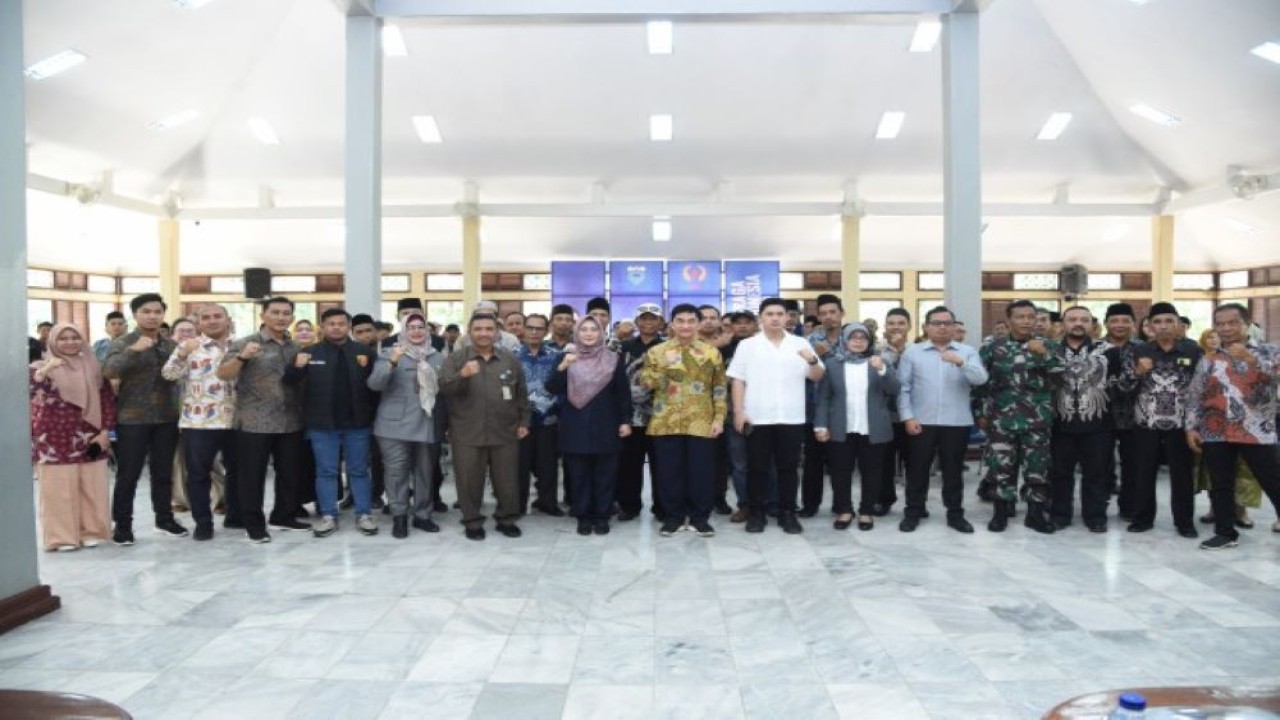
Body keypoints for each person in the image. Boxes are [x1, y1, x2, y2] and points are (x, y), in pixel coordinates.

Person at [217, 296, 312, 543]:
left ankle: (283, 515)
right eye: (276, 312)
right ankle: (253, 523)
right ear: (263, 316)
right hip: (254, 421)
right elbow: (223, 374)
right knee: (252, 476)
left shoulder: (296, 347)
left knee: (289, 473)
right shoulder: (245, 343)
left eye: (286, 313)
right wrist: (242, 358)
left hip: (290, 420)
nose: (281, 317)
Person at [1187, 303, 1280, 549]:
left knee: (1273, 480)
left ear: (1247, 324)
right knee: (1220, 484)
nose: (1226, 328)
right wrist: (1191, 427)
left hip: (1256, 430)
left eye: (1232, 322)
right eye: (1220, 324)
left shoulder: (1270, 351)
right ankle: (1225, 533)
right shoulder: (1208, 359)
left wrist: (1251, 360)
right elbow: (1195, 394)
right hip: (1215, 429)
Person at [729, 298, 824, 534]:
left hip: (790, 416)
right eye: (769, 314)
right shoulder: (748, 345)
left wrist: (811, 360)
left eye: (779, 314)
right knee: (757, 468)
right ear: (761, 318)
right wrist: (739, 411)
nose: (774, 318)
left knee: (789, 468)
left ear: (787, 318)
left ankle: (787, 513)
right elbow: (738, 380)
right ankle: (757, 513)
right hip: (757, 416)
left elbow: (816, 375)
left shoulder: (800, 343)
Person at [974, 299, 1063, 533]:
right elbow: (980, 383)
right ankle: (1001, 513)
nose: (1026, 321)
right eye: (1020, 316)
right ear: (1009, 320)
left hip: (1038, 419)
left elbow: (1062, 378)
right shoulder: (993, 347)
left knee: (1038, 468)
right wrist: (978, 413)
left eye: (1030, 317)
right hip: (1001, 419)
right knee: (1001, 467)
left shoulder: (1050, 346)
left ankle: (1035, 514)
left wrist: (1044, 355)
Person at [289, 308, 380, 538]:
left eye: (341, 323)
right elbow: (290, 383)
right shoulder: (309, 352)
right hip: (322, 424)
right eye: (331, 324)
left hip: (357, 424)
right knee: (326, 471)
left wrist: (371, 416)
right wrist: (296, 367)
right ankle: (329, 515)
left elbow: (376, 389)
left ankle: (364, 514)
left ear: (348, 326)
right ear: (323, 327)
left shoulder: (364, 352)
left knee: (359, 471)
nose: (336, 327)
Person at [103, 293, 185, 544]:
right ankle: (123, 526)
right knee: (128, 474)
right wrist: (133, 351)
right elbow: (108, 371)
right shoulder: (122, 342)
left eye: (157, 312)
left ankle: (164, 519)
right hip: (132, 418)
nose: (152, 316)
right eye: (146, 311)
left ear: (163, 315)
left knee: (162, 472)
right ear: (135, 314)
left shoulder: (170, 345)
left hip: (166, 417)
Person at [897, 306, 988, 533]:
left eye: (947, 323)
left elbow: (981, 379)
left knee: (953, 471)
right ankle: (914, 511)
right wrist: (907, 417)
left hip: (955, 422)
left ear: (954, 326)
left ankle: (955, 514)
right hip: (921, 421)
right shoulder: (912, 352)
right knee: (918, 470)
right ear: (926, 327)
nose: (942, 327)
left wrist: (961, 363)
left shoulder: (966, 352)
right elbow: (903, 388)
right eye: (936, 323)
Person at [439, 313, 530, 540]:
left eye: (489, 329)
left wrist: (524, 421)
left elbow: (522, 394)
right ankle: (472, 522)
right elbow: (445, 390)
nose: (483, 333)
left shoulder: (510, 359)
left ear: (497, 332)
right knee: (469, 480)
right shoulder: (457, 359)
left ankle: (507, 519)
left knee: (507, 479)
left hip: (505, 430)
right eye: (478, 329)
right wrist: (462, 375)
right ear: (470, 332)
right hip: (467, 431)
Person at [641, 303, 727, 537]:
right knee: (669, 474)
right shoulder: (656, 352)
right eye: (681, 321)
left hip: (701, 421)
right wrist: (665, 367)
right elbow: (646, 384)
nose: (686, 326)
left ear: (698, 324)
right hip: (666, 421)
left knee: (701, 473)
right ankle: (673, 518)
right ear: (672, 324)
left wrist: (719, 418)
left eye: (691, 321)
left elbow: (719, 388)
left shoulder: (711, 352)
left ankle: (700, 518)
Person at [29, 324, 117, 551]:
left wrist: (107, 431)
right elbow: (31, 390)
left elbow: (107, 401)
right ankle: (62, 537)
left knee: (92, 485)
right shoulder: (39, 366)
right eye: (63, 338)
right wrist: (46, 370)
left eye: (75, 337)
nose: (70, 342)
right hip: (53, 437)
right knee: (58, 489)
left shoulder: (94, 366)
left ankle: (92, 531)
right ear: (52, 342)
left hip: (89, 433)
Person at [1123, 301, 1202, 537]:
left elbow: (1200, 390)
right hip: (1146, 423)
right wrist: (1137, 372)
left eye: (1169, 321)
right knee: (1143, 473)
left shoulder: (1192, 350)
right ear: (1149, 326)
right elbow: (1122, 388)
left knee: (1182, 476)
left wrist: (1194, 424)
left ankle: (1185, 522)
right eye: (1158, 322)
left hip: (1181, 424)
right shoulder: (1137, 350)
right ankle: (1142, 519)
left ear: (1179, 324)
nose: (1164, 326)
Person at [549, 317, 632, 535]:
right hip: (574, 425)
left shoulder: (613, 359)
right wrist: (563, 367)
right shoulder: (566, 357)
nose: (588, 334)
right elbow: (552, 388)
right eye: (583, 329)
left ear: (601, 332)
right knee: (578, 475)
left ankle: (602, 516)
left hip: (607, 424)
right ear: (576, 333)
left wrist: (625, 421)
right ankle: (583, 516)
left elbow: (623, 393)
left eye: (593, 329)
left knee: (605, 474)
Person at [162, 305, 238, 541]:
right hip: (199, 421)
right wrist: (183, 354)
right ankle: (203, 523)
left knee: (240, 472)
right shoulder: (188, 346)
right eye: (206, 317)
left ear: (227, 319)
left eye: (218, 316)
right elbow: (169, 374)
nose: (212, 321)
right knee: (197, 474)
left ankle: (236, 516)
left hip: (238, 420)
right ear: (198, 322)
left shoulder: (241, 346)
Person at [815, 323, 898, 532]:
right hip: (840, 426)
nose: (858, 341)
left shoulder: (879, 362)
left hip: (873, 427)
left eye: (863, 338)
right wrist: (820, 425)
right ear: (845, 339)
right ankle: (844, 509)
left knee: (872, 472)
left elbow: (894, 389)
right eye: (853, 337)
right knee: (840, 472)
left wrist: (882, 370)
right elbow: (824, 397)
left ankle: (866, 511)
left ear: (869, 342)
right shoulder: (832, 363)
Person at [368, 311, 444, 539]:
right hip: (393, 425)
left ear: (427, 330)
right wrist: (392, 362)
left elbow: (446, 390)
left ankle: (422, 515)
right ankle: (399, 516)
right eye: (411, 328)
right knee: (396, 472)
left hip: (427, 422)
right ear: (403, 331)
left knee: (424, 472)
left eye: (421, 327)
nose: (417, 331)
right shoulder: (390, 353)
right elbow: (374, 384)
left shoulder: (437, 357)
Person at [1049, 306, 1115, 533]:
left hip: (1098, 425)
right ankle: (1059, 515)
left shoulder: (1108, 350)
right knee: (1059, 473)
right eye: (1072, 319)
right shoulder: (1050, 350)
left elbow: (1121, 385)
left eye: (1084, 320)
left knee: (1096, 474)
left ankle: (1095, 517)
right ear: (1062, 324)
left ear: (1092, 324)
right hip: (1059, 424)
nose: (1078, 323)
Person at [1193, 328, 1261, 529]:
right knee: (1215, 471)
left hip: (1248, 426)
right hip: (1215, 424)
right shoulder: (1206, 360)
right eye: (1211, 337)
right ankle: (1216, 510)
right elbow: (1196, 393)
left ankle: (1241, 511)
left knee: (1245, 471)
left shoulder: (1258, 355)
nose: (1216, 339)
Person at [617, 303, 665, 521]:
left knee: (662, 465)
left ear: (660, 322)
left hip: (661, 418)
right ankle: (629, 506)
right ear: (636, 323)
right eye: (643, 319)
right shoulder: (623, 347)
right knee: (629, 466)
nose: (648, 322)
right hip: (630, 417)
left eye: (653, 318)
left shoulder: (668, 348)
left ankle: (662, 507)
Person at [801, 293, 845, 516]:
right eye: (824, 313)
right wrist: (814, 358)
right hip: (815, 407)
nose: (828, 317)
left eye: (833, 312)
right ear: (818, 316)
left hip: (843, 409)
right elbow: (801, 373)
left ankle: (841, 505)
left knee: (840, 461)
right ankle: (810, 505)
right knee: (813, 461)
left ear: (841, 313)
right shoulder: (809, 341)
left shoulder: (854, 338)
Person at [517, 313, 565, 516]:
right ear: (523, 330)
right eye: (530, 327)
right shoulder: (511, 355)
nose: (534, 332)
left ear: (546, 331)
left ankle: (547, 502)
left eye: (539, 328)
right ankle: (517, 505)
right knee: (519, 465)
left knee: (548, 465)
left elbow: (563, 386)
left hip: (548, 418)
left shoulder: (556, 355)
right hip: (520, 421)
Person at [1099, 303, 1141, 520]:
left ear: (1133, 324)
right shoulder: (1096, 349)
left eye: (1125, 321)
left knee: (1133, 464)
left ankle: (1129, 507)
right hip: (1101, 415)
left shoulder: (1143, 349)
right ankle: (1099, 507)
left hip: (1135, 416)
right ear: (1106, 323)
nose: (1120, 325)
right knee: (1101, 465)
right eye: (1114, 321)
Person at [875, 307, 913, 516]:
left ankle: (916, 503)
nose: (896, 327)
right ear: (885, 326)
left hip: (912, 417)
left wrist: (901, 352)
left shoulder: (918, 351)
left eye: (901, 323)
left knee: (915, 463)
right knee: (883, 462)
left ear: (909, 326)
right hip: (884, 417)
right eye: (891, 323)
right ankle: (884, 500)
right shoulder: (876, 352)